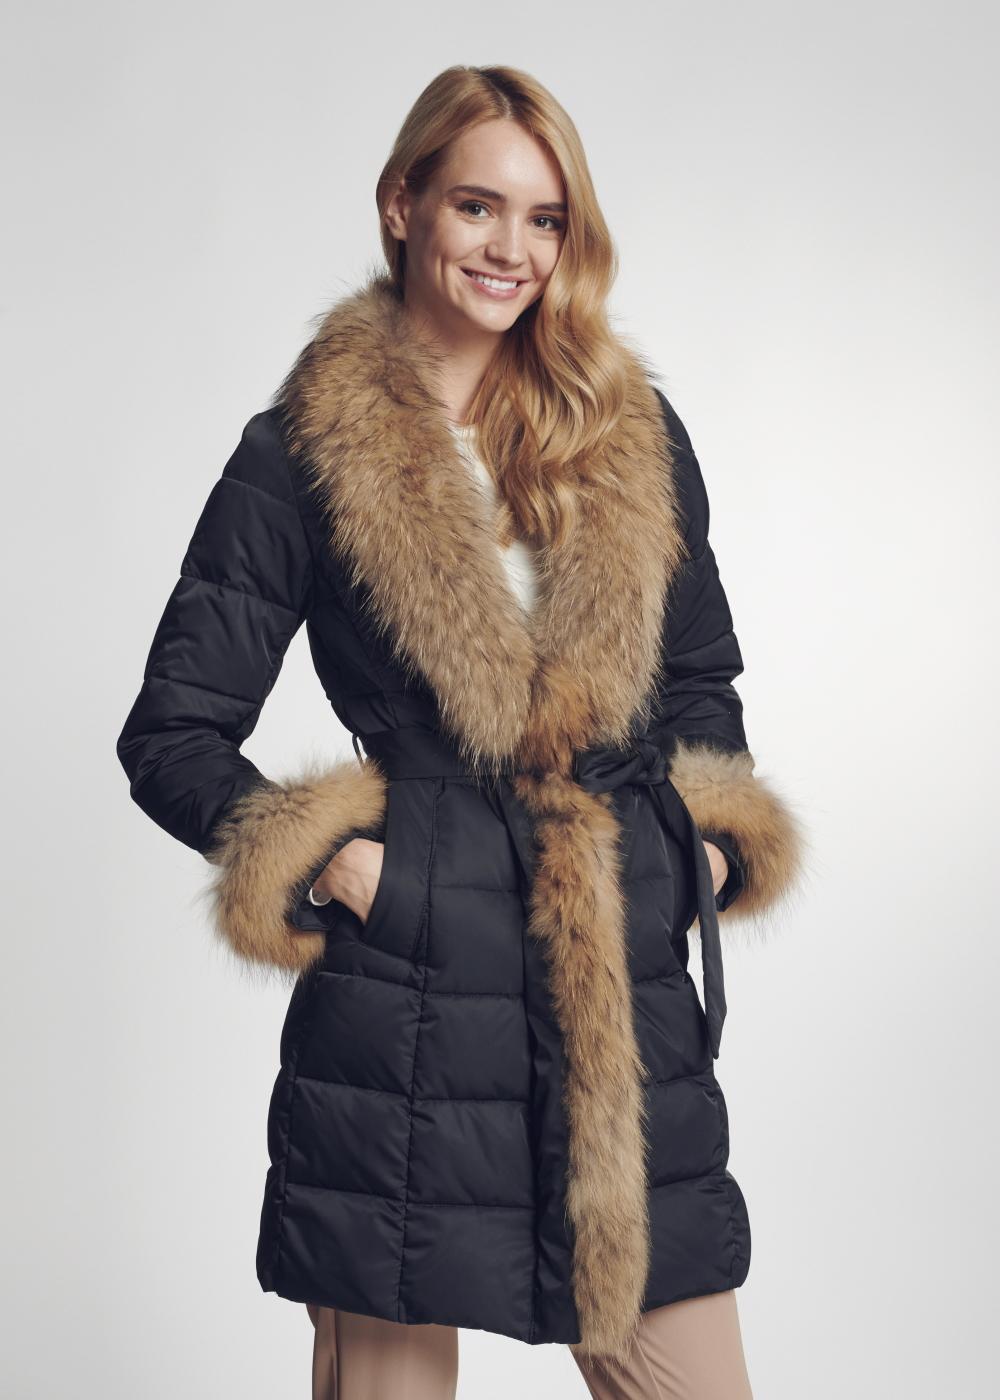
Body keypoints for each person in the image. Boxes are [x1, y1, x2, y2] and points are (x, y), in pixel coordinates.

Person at [117, 63, 803, 1399]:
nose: (510, 249)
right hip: (406, 1019)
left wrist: (701, 851)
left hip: (618, 1001)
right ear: (403, 205)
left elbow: (698, 681)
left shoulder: (629, 435)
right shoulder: (300, 455)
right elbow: (174, 732)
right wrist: (344, 866)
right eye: (478, 206)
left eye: (544, 219)